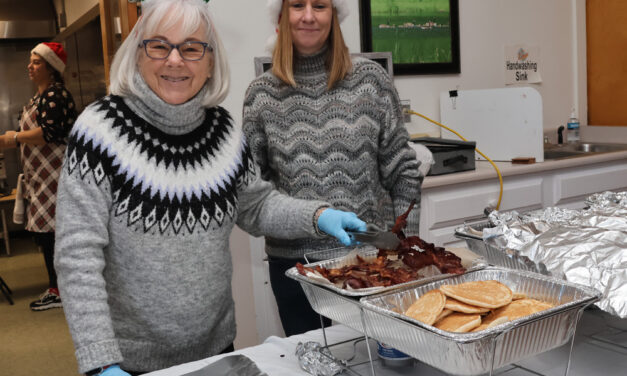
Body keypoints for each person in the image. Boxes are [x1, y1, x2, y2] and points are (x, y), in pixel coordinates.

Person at [53, 1, 365, 375]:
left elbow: (256, 206)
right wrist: (101, 361)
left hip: (216, 351)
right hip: (128, 363)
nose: (174, 60)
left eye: (191, 47)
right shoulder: (98, 132)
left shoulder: (223, 130)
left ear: (210, 60)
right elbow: (77, 256)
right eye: (159, 45)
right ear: (138, 52)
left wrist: (318, 215)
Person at [243, 0, 423, 336]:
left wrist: (405, 248)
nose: (309, 15)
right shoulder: (261, 96)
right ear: (282, 17)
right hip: (297, 273)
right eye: (297, 5)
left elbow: (404, 174)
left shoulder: (371, 81)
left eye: (320, 5)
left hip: (372, 266)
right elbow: (256, 197)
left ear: (334, 15)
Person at [0, 42, 77, 311]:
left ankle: (62, 289)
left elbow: (48, 133)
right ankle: (57, 287)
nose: (29, 66)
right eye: (30, 61)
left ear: (51, 68)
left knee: (55, 236)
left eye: (36, 62)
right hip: (41, 178)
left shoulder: (56, 95)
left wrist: (15, 137)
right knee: (46, 236)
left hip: (56, 177)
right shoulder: (37, 98)